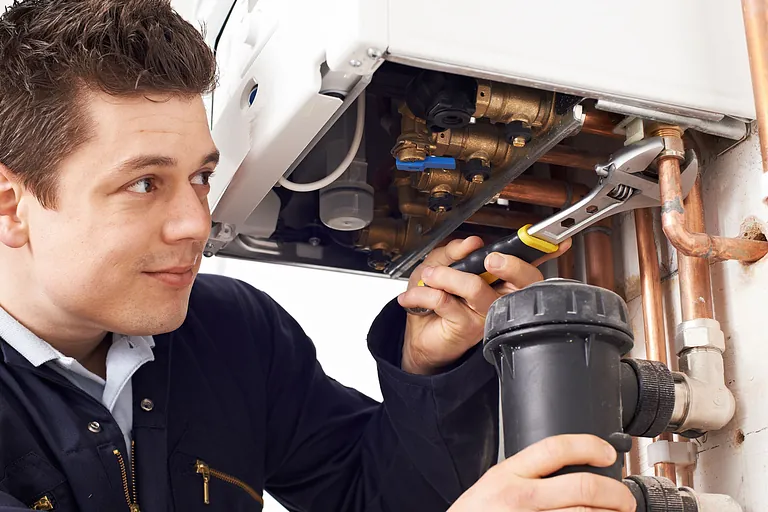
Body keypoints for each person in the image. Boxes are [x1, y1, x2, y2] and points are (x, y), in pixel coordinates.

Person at [0, 1, 636, 511]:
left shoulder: (229, 331)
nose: (196, 222)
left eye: (200, 177)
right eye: (144, 184)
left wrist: (425, 369)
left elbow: (369, 495)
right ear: (11, 205)